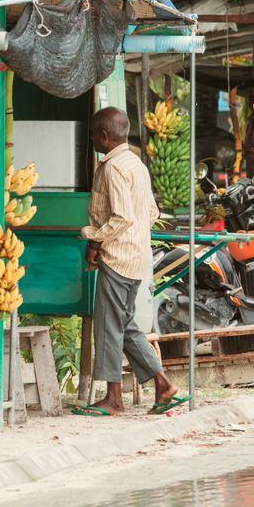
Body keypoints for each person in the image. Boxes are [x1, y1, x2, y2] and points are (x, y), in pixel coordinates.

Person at [73, 107, 187, 416]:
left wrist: (95, 237)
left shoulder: (112, 168)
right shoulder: (136, 164)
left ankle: (114, 399)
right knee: (124, 324)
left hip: (119, 257)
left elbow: (121, 217)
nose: (93, 139)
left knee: (110, 327)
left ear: (105, 137)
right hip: (137, 256)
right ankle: (163, 385)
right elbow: (150, 212)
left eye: (94, 135)